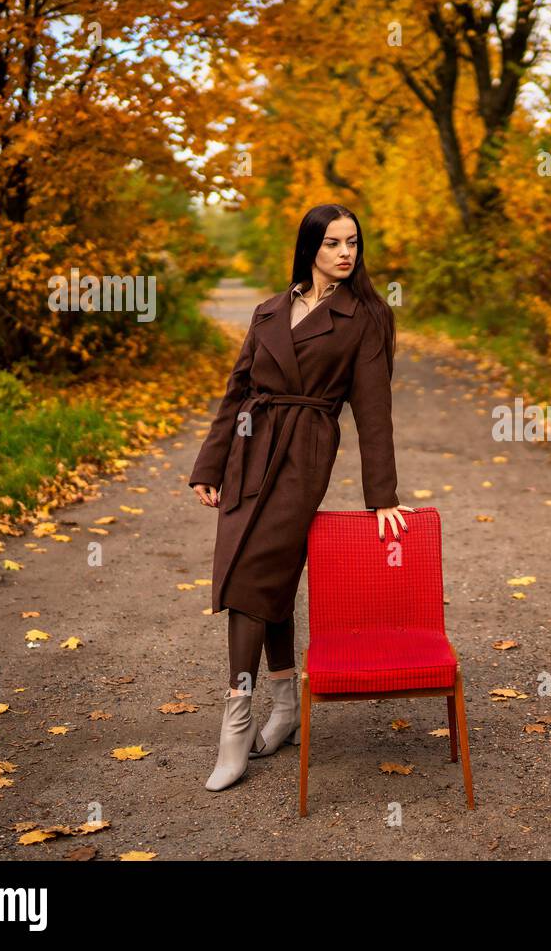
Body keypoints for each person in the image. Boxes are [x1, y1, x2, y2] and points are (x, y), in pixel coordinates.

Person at [188, 203, 413, 791]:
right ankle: (284, 705)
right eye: (334, 242)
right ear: (310, 246)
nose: (346, 253)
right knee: (270, 581)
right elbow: (236, 393)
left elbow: (373, 412)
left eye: (354, 243)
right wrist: (207, 467)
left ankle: (234, 724)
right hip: (246, 448)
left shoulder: (365, 316)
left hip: (304, 450)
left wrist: (381, 497)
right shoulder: (269, 310)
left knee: (249, 581)